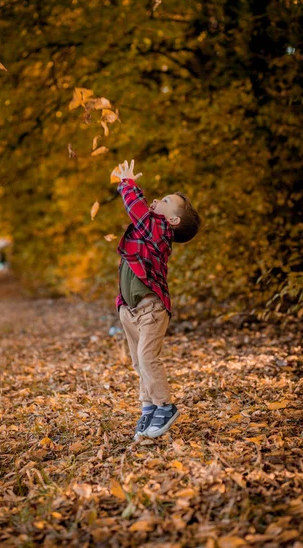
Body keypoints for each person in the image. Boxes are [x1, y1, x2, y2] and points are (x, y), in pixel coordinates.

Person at [113, 159, 202, 440]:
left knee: (147, 358)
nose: (155, 200)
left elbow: (137, 210)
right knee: (139, 363)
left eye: (165, 200)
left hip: (151, 309)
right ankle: (148, 407)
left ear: (172, 220)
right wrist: (121, 304)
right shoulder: (147, 231)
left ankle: (165, 405)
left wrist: (128, 183)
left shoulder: (161, 231)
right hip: (131, 310)